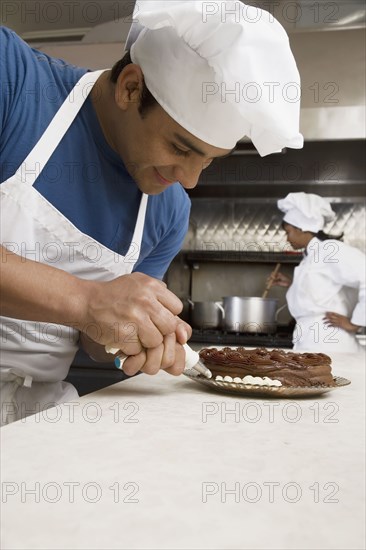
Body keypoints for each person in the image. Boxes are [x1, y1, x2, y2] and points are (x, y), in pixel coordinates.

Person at [0, 1, 303, 424]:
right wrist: (88, 300)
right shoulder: (14, 81)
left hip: (34, 417)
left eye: (210, 160)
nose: (190, 179)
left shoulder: (169, 211)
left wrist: (133, 330)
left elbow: (90, 336)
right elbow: (86, 305)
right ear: (129, 87)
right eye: (180, 148)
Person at [270, 192, 365, 353]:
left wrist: (355, 323)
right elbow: (321, 294)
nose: (287, 239)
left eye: (288, 232)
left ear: (303, 228)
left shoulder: (330, 250)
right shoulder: (311, 256)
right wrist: (292, 285)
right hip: (310, 341)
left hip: (330, 344)